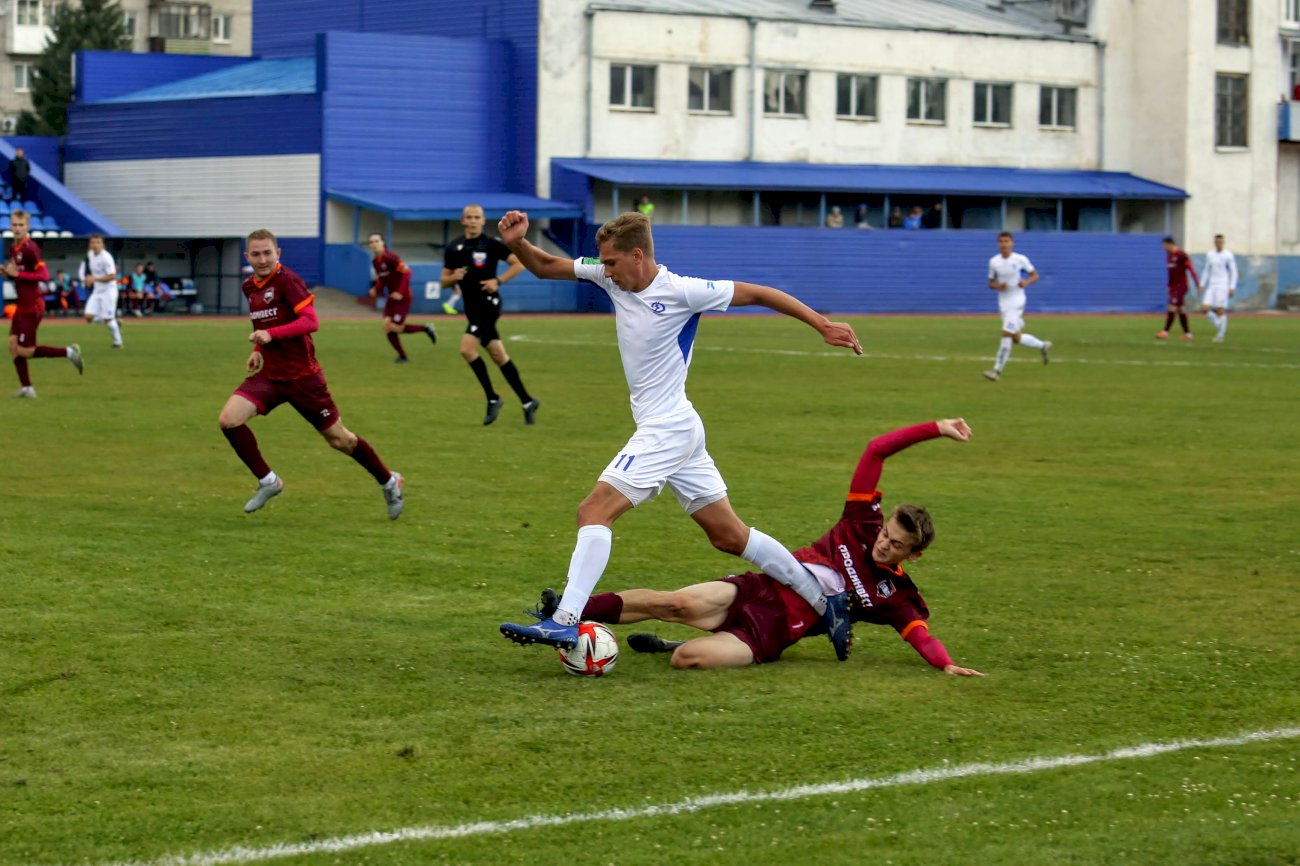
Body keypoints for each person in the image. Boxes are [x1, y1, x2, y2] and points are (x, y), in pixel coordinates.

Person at [495, 209, 863, 658]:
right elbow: (546, 266)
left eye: (610, 262)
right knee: (728, 536)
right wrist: (517, 243)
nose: (604, 271)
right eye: (601, 263)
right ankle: (826, 600)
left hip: (667, 428)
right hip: (679, 427)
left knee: (594, 510)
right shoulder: (613, 279)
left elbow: (759, 292)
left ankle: (565, 621)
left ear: (637, 255)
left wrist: (821, 324)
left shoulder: (683, 291)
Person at [524, 419, 984, 675]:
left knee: (690, 660)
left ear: (913, 555)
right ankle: (570, 608)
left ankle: (673, 645)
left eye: (896, 546)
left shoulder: (896, 598)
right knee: (675, 602)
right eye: (887, 535)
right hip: (760, 588)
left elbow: (919, 635)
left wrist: (945, 664)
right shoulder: (861, 523)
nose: (883, 546)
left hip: (774, 631)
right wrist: (936, 427)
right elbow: (875, 450)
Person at [217, 228, 405, 519]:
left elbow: (310, 322)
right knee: (229, 420)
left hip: (303, 377)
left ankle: (389, 481)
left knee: (340, 440)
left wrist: (271, 335)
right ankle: (269, 481)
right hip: (271, 376)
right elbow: (263, 323)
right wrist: (259, 350)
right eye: (256, 253)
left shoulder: (288, 280)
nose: (263, 258)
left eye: (268, 252)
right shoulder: (249, 287)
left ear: (278, 253)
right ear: (247, 256)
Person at [441, 204, 538, 425]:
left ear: (483, 221)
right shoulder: (454, 247)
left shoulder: (492, 244)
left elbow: (518, 264)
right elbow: (443, 280)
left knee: (466, 349)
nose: (473, 220)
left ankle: (493, 397)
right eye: (469, 217)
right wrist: (453, 276)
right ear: (463, 220)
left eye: (477, 217)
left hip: (489, 304)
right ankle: (527, 401)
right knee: (498, 355)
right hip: (471, 308)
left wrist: (498, 281)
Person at [6, 209, 82, 397]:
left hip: (32, 305)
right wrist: (8, 272)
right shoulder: (13, 248)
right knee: (12, 345)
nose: (17, 228)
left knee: (25, 351)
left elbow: (44, 276)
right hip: (22, 304)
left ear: (28, 227)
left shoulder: (31, 248)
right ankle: (27, 388)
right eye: (14, 225)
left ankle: (69, 352)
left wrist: (18, 274)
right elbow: (18, 273)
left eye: (21, 225)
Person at [983, 231, 1050, 381]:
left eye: (1006, 241)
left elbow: (1034, 275)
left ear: (1012, 243)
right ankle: (1042, 345)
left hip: (1017, 300)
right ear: (997, 244)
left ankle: (996, 371)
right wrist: (997, 286)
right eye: (1001, 241)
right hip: (1003, 302)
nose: (1004, 244)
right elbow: (990, 283)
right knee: (1016, 337)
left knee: (1006, 333)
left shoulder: (1020, 259)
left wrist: (1025, 282)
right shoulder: (994, 262)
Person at [366, 232, 437, 363]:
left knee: (395, 327)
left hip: (403, 297)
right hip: (392, 298)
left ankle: (426, 328)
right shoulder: (375, 261)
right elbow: (382, 279)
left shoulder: (391, 258)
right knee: (387, 327)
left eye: (377, 241)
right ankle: (402, 356)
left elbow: (407, 273)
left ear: (383, 243)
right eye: (371, 242)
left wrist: (400, 292)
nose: (374, 244)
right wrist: (376, 289)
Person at [1158, 236, 1200, 341]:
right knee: (1181, 310)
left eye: (1164, 245)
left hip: (1181, 286)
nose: (1163, 248)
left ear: (1169, 244)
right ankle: (1188, 334)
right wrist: (1169, 285)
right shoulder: (1168, 256)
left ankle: (1165, 332)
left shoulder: (1181, 255)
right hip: (1174, 287)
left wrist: (1197, 284)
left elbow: (1191, 269)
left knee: (1172, 307)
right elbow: (1171, 273)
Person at [1200, 234, 1237, 343]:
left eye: (1220, 241)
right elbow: (1206, 270)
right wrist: (1202, 284)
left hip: (1223, 286)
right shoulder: (1210, 254)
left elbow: (1233, 272)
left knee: (1220, 311)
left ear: (1223, 242)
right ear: (1214, 242)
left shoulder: (1228, 255)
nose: (1218, 243)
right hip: (1212, 285)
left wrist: (1232, 287)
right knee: (1205, 308)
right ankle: (1220, 326)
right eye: (1217, 241)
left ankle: (1220, 335)